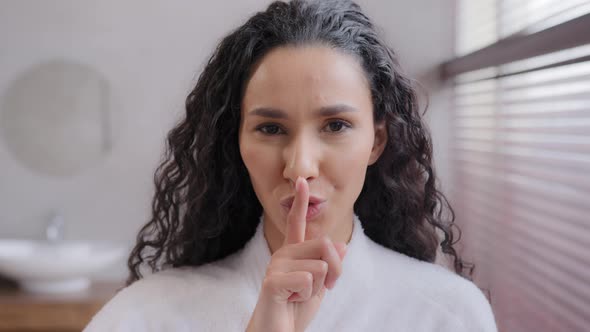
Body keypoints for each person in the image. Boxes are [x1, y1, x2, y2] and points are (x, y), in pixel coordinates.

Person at [85, 0, 497, 331]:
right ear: (237, 140)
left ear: (378, 141)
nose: (300, 167)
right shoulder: (144, 316)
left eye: (335, 125)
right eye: (270, 128)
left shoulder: (448, 315)